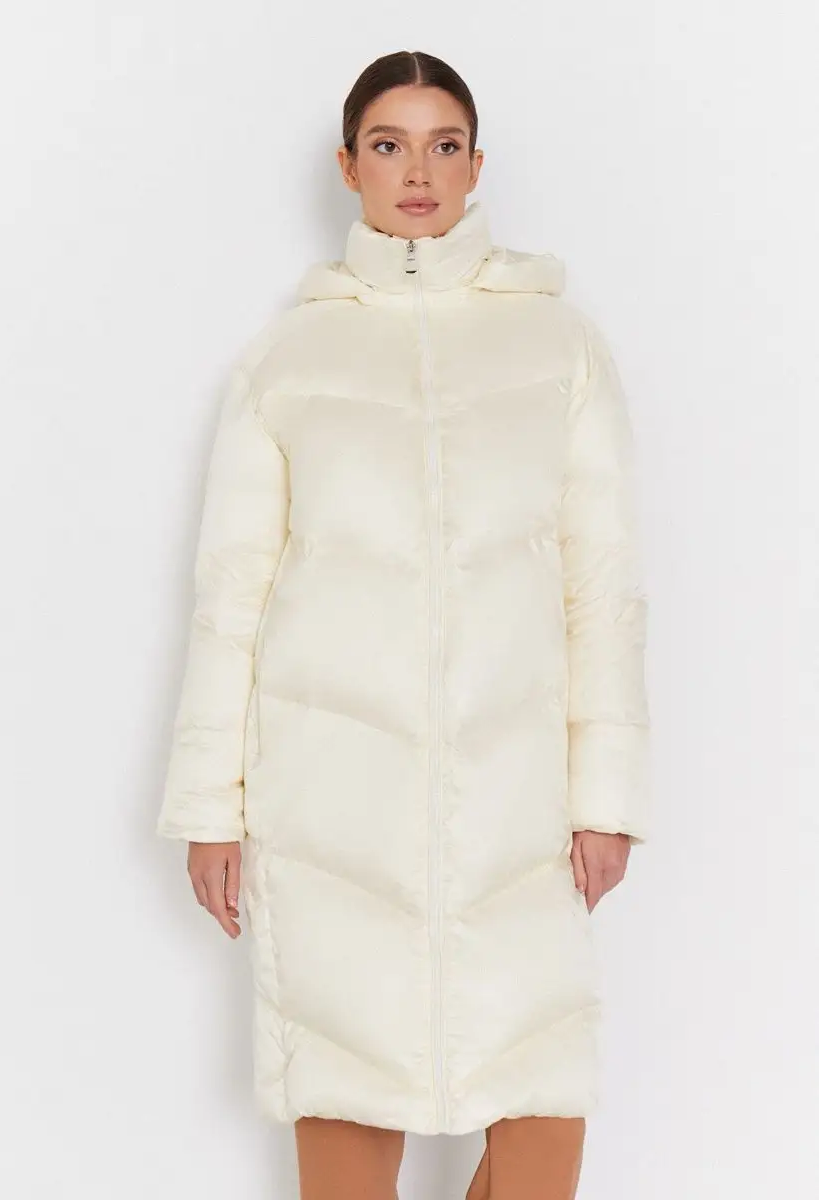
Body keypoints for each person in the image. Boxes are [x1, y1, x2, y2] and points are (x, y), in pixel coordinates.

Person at [156, 48, 650, 1200]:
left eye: (442, 145)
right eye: (389, 145)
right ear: (349, 166)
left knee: (539, 1112)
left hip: (517, 798)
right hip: (331, 800)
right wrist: (210, 809)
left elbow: (603, 586)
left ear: (477, 166)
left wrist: (607, 797)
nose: (417, 172)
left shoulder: (560, 346)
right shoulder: (288, 360)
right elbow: (230, 599)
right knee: (345, 1110)